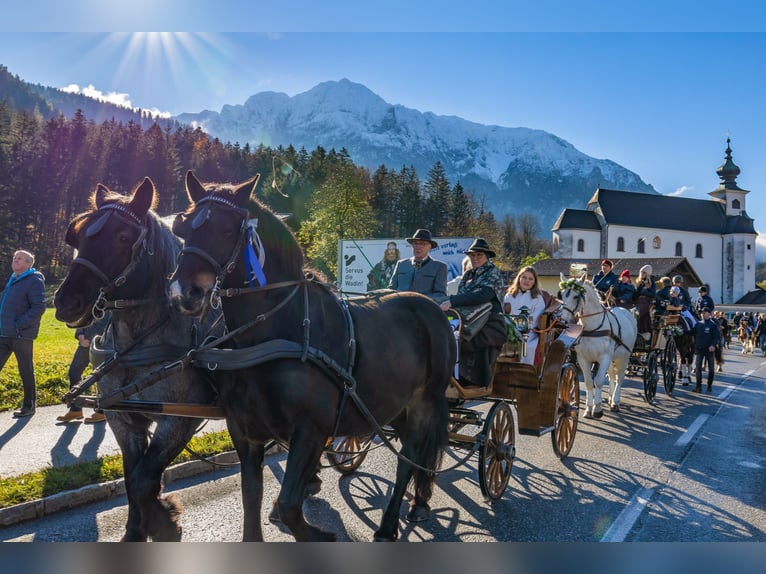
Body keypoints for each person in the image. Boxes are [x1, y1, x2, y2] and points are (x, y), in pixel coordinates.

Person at [439, 238, 506, 387]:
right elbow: (463, 295)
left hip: (490, 321)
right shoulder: (468, 274)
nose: (475, 259)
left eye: (479, 255)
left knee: (468, 343)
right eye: (472, 256)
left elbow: (484, 295)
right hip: (467, 318)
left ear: (487, 256)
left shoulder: (492, 271)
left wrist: (452, 301)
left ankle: (469, 379)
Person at [0, 250, 46, 418]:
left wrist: (18, 325)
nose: (15, 260)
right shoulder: (14, 279)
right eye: (14, 257)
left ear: (28, 264)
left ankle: (29, 406)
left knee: (25, 370)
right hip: (4, 333)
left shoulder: (34, 280)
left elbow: (39, 307)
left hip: (21, 335)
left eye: (19, 259)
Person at [56, 314, 111, 423]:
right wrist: (80, 334)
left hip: (101, 343)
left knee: (100, 375)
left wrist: (88, 337)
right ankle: (75, 409)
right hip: (84, 342)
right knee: (74, 372)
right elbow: (83, 316)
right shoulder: (90, 298)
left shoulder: (104, 299)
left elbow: (105, 321)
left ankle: (102, 411)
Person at [502, 266, 545, 366]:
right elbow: (504, 313)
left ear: (534, 282)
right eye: (524, 277)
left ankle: (524, 371)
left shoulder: (537, 298)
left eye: (530, 279)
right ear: (519, 278)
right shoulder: (510, 295)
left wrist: (520, 327)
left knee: (527, 346)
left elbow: (535, 317)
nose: (527, 281)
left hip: (528, 331)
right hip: (509, 329)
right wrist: (510, 326)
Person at [388, 229, 448, 300]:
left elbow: (440, 294)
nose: (418, 247)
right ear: (412, 245)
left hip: (423, 308)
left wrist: (418, 300)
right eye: (416, 243)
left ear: (430, 247)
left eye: (422, 244)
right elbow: (391, 289)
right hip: (400, 307)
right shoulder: (401, 264)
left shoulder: (439, 267)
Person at [692, 307, 720, 393]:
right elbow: (692, 333)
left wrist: (713, 345)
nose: (702, 314)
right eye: (702, 313)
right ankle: (698, 386)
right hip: (700, 349)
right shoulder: (698, 324)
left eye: (704, 313)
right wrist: (680, 331)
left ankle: (709, 384)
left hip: (709, 350)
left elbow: (716, 337)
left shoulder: (713, 325)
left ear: (709, 314)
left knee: (711, 369)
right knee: (698, 368)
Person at [634, 264, 656, 338]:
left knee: (637, 312)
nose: (642, 274)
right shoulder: (639, 282)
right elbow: (636, 293)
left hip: (646, 302)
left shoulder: (651, 283)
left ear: (647, 274)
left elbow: (653, 294)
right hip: (637, 302)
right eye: (641, 272)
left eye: (644, 273)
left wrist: (643, 292)